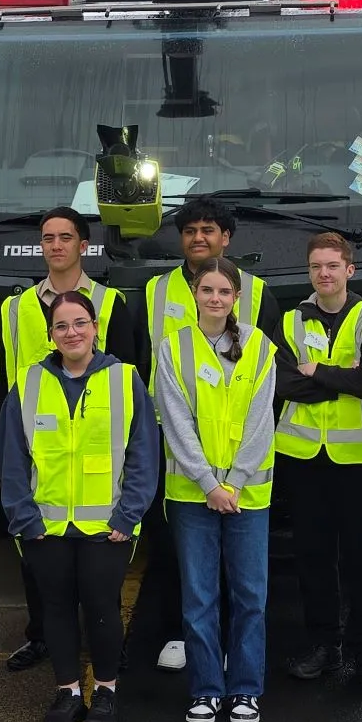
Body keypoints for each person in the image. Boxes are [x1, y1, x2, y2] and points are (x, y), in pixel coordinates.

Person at [0, 291, 161, 722]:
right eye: (61, 326)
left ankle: (106, 691)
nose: (71, 332)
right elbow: (12, 458)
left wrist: (128, 516)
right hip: (44, 528)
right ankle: (68, 692)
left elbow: (144, 454)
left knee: (103, 608)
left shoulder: (125, 379)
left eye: (80, 323)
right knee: (56, 610)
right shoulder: (28, 383)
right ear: (51, 335)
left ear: (95, 329)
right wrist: (24, 518)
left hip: (106, 527)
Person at [0, 206, 145, 676]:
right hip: (39, 433)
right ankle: (41, 637)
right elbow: (10, 375)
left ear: (84, 245)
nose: (55, 245)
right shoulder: (16, 306)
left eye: (65, 237)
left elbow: (122, 370)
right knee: (40, 568)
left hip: (95, 435)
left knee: (98, 587)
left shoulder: (110, 301)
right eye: (47, 238)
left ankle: (106, 653)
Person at [136, 197, 280, 673]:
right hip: (173, 441)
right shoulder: (155, 291)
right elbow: (143, 365)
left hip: (241, 456)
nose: (199, 237)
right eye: (191, 230)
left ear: (227, 239)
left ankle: (237, 661)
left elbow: (269, 386)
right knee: (173, 548)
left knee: (244, 576)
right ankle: (183, 636)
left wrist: (237, 474)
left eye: (209, 230)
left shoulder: (260, 293)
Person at [155, 257, 279, 722]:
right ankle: (206, 689)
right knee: (200, 596)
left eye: (223, 292)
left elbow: (261, 421)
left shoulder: (260, 346)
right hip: (193, 494)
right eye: (206, 290)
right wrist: (209, 483)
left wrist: (235, 483)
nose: (214, 299)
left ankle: (246, 689)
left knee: (250, 595)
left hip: (248, 495)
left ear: (235, 298)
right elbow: (176, 419)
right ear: (194, 295)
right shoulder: (174, 347)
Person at [272, 232, 362, 691]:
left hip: (359, 458)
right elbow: (282, 384)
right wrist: (340, 379)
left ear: (349, 270)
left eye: (333, 266)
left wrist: (316, 371)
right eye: (317, 266)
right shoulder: (289, 321)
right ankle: (324, 643)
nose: (324, 273)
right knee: (313, 557)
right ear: (310, 271)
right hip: (303, 457)